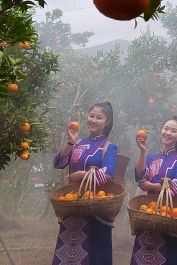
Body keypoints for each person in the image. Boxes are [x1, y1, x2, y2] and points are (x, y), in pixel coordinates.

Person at [51, 102, 118, 265]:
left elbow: (108, 173)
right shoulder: (78, 143)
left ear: (107, 122)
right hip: (73, 205)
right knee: (68, 255)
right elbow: (58, 163)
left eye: (99, 117)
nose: (93, 120)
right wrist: (71, 142)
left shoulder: (108, 147)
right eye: (91, 116)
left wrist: (84, 175)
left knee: (95, 257)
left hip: (97, 209)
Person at [130, 116, 177, 265]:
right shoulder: (151, 158)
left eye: (173, 131)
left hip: (170, 216)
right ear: (161, 131)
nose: (168, 133)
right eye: (166, 129)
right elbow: (140, 177)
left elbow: (176, 186)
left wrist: (150, 186)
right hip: (148, 214)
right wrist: (143, 151)